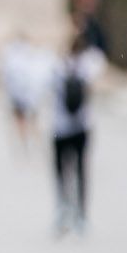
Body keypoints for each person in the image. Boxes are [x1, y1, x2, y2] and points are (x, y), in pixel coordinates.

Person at [45, 33, 106, 236]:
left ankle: (62, 209)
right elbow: (101, 55)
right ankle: (81, 214)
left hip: (59, 127)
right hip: (82, 126)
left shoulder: (57, 67)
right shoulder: (88, 66)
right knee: (81, 170)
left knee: (61, 172)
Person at [0, 32, 46, 150]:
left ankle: (26, 142)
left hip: (19, 92)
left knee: (22, 119)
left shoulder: (11, 55)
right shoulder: (28, 54)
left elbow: (5, 75)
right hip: (28, 92)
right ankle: (34, 141)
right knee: (31, 118)